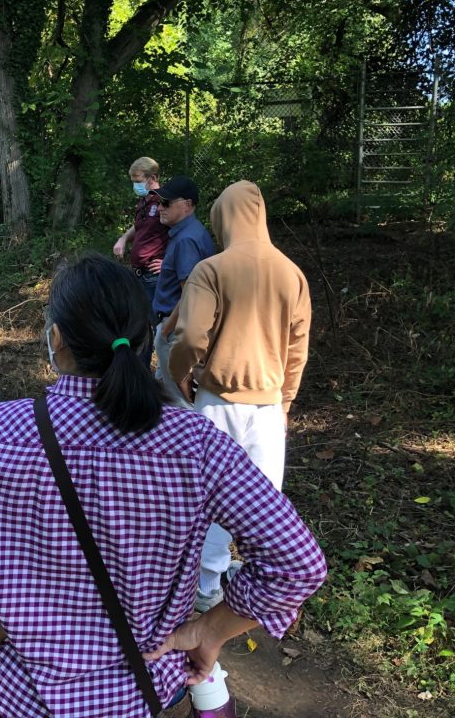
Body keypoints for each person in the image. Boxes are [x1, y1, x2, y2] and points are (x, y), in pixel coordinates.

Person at [0, 254, 327, 718]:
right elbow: (296, 564)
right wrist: (208, 631)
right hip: (146, 695)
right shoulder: (197, 445)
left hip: (24, 700)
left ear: (56, 339)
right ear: (144, 343)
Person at [168, 180, 312, 612]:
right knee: (262, 502)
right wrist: (284, 402)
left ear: (223, 218)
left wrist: (179, 375)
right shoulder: (292, 273)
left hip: (218, 401)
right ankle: (261, 584)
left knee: (209, 499)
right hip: (268, 406)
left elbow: (191, 334)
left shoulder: (212, 269)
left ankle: (206, 583)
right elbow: (297, 349)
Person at [150, 175, 214, 407]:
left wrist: (166, 330)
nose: (159, 208)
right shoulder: (189, 233)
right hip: (174, 330)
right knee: (165, 397)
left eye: (165, 203)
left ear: (186, 205)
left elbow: (190, 294)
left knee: (180, 402)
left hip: (176, 331)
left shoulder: (187, 240)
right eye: (159, 203)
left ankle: (190, 442)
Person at [113, 157, 167, 367]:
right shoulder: (144, 201)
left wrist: (168, 262)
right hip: (139, 274)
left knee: (157, 326)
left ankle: (159, 374)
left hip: (154, 276)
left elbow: (178, 232)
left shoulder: (165, 201)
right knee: (139, 324)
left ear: (152, 178)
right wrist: (124, 238)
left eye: (138, 180)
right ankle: (140, 372)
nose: (135, 185)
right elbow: (140, 227)